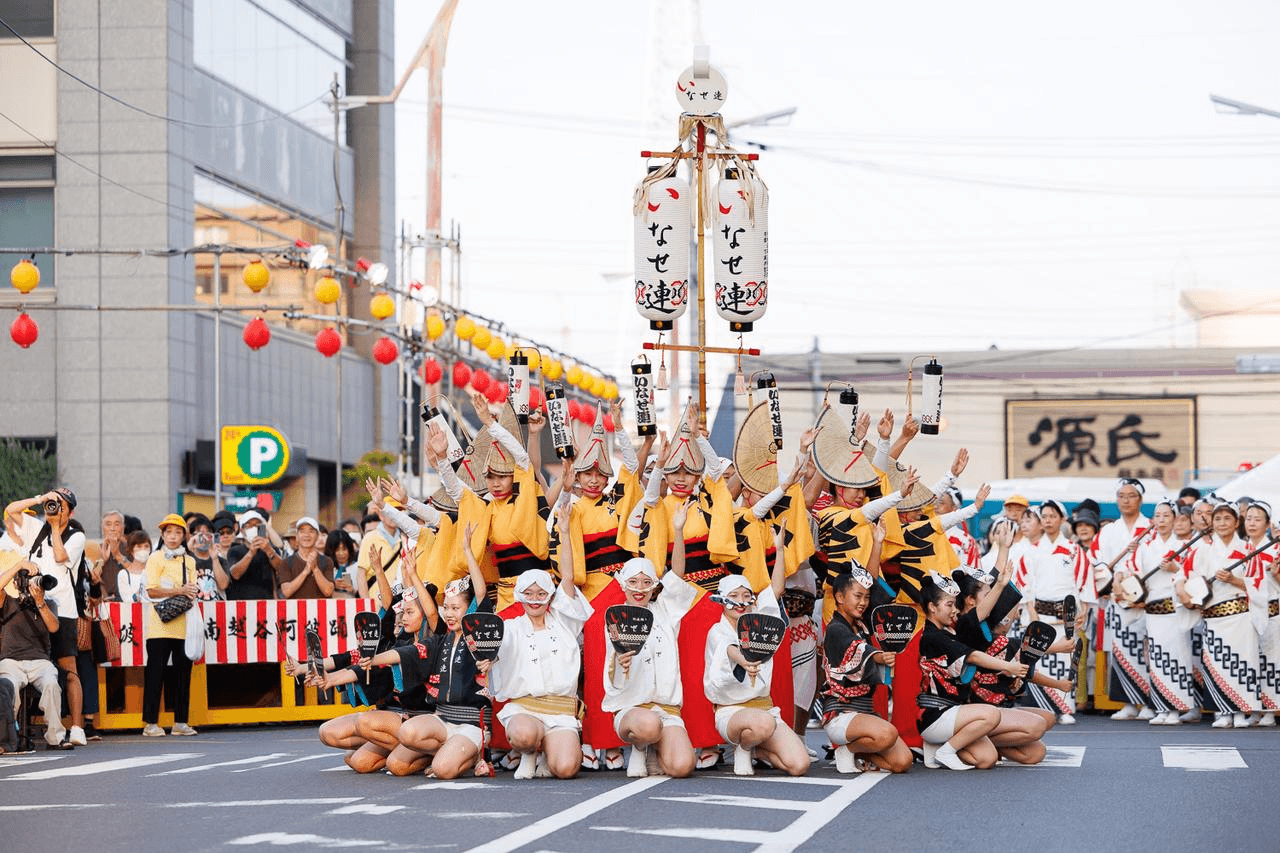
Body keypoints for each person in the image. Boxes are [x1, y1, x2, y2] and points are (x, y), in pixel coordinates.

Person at [626, 403, 740, 768]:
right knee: (680, 670)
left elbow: (720, 479)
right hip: (673, 599)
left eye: (688, 471)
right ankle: (681, 737)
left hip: (709, 597)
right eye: (674, 470)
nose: (680, 477)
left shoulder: (709, 502)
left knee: (712, 668)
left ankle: (715, 739)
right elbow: (646, 503)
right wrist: (658, 463)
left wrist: (700, 437)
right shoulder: (658, 506)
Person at [306, 553, 440, 773]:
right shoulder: (402, 639)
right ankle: (400, 749)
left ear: (424, 612)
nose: (402, 619)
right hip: (399, 718)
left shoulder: (436, 638)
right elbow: (356, 663)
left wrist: (409, 574)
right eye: (402, 613)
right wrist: (325, 676)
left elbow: (427, 611)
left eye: (409, 612)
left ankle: (427, 751)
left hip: (426, 720)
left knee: (393, 760)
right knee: (355, 759)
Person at [488, 501, 593, 780]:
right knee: (523, 734)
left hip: (560, 710)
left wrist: (565, 531)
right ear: (520, 596)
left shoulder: (563, 620)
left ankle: (550, 750)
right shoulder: (509, 628)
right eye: (529, 593)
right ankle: (528, 752)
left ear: (549, 595)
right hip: (526, 709)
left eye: (540, 593)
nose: (535, 599)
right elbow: (491, 654)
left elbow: (568, 577)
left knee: (566, 769)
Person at [387, 525, 492, 778]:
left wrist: (467, 552)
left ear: (470, 610)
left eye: (457, 608)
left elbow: (480, 591)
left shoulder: (477, 633)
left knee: (445, 770)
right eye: (448, 607)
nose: (450, 613)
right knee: (397, 764)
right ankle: (443, 752)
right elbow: (431, 611)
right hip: (443, 720)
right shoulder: (443, 636)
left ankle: (469, 754)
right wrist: (410, 575)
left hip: (471, 721)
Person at [603, 506, 699, 779]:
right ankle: (640, 747)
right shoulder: (616, 617)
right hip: (634, 711)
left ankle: (658, 749)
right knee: (647, 725)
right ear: (623, 585)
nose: (639, 588)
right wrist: (619, 663)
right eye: (633, 582)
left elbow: (678, 574)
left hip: (666, 709)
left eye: (646, 582)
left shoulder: (665, 610)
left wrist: (678, 530)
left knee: (681, 767)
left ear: (654, 586)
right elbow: (611, 669)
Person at [703, 538, 809, 778]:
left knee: (799, 765)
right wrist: (743, 659)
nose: (740, 602)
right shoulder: (717, 631)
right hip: (731, 712)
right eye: (734, 596)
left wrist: (780, 550)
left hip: (765, 709)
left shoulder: (758, 623)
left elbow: (776, 590)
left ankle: (759, 751)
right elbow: (728, 648)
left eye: (745, 595)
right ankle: (744, 746)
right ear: (722, 600)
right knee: (761, 725)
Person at [916, 574, 1028, 770]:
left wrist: (1001, 582)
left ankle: (938, 746)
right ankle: (946, 750)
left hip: (952, 714)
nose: (955, 610)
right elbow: (973, 656)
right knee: (991, 714)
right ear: (933, 607)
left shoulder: (949, 631)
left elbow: (979, 613)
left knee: (987, 759)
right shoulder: (932, 636)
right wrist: (1009, 667)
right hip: (936, 714)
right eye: (949, 605)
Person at [3, 488, 87, 747]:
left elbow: (61, 556)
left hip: (62, 608)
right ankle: (16, 729)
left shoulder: (76, 535)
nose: (54, 508)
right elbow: (11, 509)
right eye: (53, 503)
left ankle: (76, 726)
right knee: (35, 664)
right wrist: (40, 500)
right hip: (32, 604)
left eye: (60, 505)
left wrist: (54, 527)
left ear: (70, 511)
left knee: (69, 669)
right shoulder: (35, 527)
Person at [820, 568, 913, 774]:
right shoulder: (835, 629)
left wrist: (877, 544)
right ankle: (846, 750)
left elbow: (878, 592)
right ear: (840, 597)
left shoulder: (863, 626)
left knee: (903, 761)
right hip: (841, 714)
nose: (863, 602)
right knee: (888, 734)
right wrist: (881, 656)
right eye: (857, 596)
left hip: (865, 713)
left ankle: (857, 752)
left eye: (866, 597)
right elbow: (859, 650)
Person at [1178, 500, 1258, 728]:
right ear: (1211, 523)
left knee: (1242, 663)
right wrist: (1185, 595)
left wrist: (1234, 580)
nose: (1222, 523)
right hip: (1213, 616)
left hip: (1241, 616)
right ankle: (1222, 712)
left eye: (1227, 518)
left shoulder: (1248, 549)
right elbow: (1182, 576)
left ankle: (1242, 711)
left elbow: (1260, 583)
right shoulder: (1201, 550)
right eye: (1218, 518)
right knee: (1217, 663)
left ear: (1236, 523)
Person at [1129, 500, 1200, 725]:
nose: (1161, 520)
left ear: (1175, 519)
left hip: (1174, 610)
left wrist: (1176, 568)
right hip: (1153, 610)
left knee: (1178, 658)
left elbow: (1193, 576)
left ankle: (1177, 707)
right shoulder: (1145, 547)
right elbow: (1135, 575)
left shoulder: (1186, 545)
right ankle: (1161, 706)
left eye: (1166, 516)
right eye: (1157, 516)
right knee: (1158, 659)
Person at [1091, 478, 1151, 721]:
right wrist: (1112, 586)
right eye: (1122, 496)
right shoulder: (1108, 531)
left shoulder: (1150, 527)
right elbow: (1098, 562)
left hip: (1144, 598)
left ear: (1140, 499)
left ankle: (1149, 701)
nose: (1126, 500)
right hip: (1117, 596)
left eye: (1132, 495)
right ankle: (1127, 702)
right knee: (1122, 650)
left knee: (1146, 651)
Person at [0, 558, 72, 751]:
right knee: (9, 687)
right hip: (11, 661)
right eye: (27, 578)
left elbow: (54, 627)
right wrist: (18, 565)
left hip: (40, 661)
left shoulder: (47, 603)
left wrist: (40, 602)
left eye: (35, 577)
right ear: (16, 582)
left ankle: (56, 738)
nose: (32, 582)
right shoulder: (8, 601)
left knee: (51, 684)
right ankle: (7, 738)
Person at [1020, 500, 1082, 724]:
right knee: (1043, 660)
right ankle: (1043, 707)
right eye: (1044, 516)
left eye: (1052, 516)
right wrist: (1031, 611)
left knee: (1066, 659)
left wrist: (1082, 610)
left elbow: (1082, 582)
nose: (1048, 520)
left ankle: (1065, 708)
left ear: (1062, 519)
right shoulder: (1032, 550)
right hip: (1040, 611)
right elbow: (1024, 582)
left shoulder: (1073, 549)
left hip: (1065, 613)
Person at [141, 514, 198, 737]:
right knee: (156, 673)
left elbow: (193, 590)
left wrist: (187, 590)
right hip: (159, 625)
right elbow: (151, 590)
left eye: (177, 532)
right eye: (169, 532)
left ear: (184, 536)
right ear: (162, 535)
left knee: (183, 674)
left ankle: (181, 721)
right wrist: (179, 590)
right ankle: (150, 723)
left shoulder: (189, 560)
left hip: (184, 624)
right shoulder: (155, 558)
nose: (173, 537)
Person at [1246, 502, 1279, 726]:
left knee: (1271, 661)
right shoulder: (1239, 548)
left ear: (1268, 524)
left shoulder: (1276, 549)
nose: (1252, 523)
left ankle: (1270, 710)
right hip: (1245, 614)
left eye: (1258, 519)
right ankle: (1252, 708)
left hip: (1272, 612)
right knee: (1250, 661)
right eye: (1248, 518)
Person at [224, 510, 281, 600]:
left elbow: (282, 569)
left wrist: (269, 550)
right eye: (249, 525)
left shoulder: (271, 550)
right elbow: (235, 574)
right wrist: (250, 553)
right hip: (241, 605)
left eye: (257, 525)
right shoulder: (234, 550)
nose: (253, 528)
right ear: (242, 531)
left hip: (267, 604)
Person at [275, 517, 335, 599]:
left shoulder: (327, 561)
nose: (306, 535)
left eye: (311, 531)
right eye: (302, 531)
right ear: (296, 536)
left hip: (320, 611)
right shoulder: (286, 562)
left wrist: (315, 568)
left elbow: (328, 591)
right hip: (295, 611)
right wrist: (305, 571)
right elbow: (286, 592)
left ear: (317, 536)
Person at [186, 515, 229, 602]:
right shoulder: (186, 559)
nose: (204, 539)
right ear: (192, 536)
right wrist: (188, 551)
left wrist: (215, 557)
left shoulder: (220, 560)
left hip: (215, 610)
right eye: (200, 534)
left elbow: (223, 585)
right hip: (193, 609)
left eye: (207, 535)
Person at [116, 531, 152, 603]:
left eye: (146, 546)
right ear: (131, 550)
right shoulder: (124, 574)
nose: (143, 550)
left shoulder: (155, 571)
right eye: (139, 546)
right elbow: (127, 599)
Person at [324, 529, 360, 599]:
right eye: (337, 550)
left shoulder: (358, 567)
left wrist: (353, 591)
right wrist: (332, 586)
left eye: (344, 549)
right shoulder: (325, 568)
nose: (341, 553)